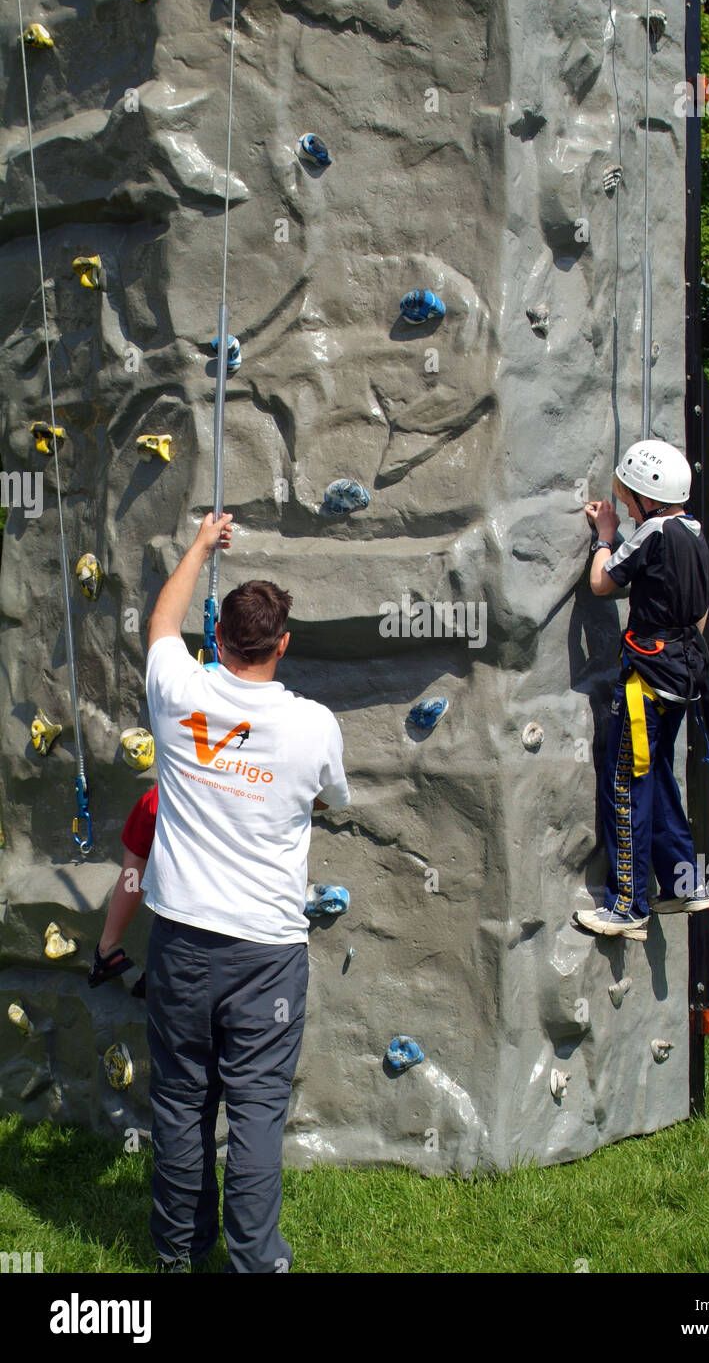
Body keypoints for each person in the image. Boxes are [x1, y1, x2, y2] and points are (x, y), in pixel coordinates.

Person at [142, 510, 350, 1273]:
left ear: (219, 639)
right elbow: (329, 799)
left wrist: (199, 544)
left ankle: (176, 1254)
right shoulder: (314, 725)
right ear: (283, 644)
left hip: (181, 940)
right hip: (265, 951)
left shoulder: (176, 689)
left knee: (180, 1103)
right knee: (257, 1112)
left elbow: (161, 621)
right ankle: (254, 1261)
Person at [575, 440, 709, 941]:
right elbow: (702, 614)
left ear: (642, 497)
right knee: (658, 777)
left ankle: (627, 906)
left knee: (626, 784)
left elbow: (602, 582)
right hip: (684, 676)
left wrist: (605, 533)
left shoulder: (654, 533)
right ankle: (684, 884)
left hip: (646, 681)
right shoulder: (697, 536)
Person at [88, 785, 158, 991]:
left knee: (134, 867)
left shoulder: (157, 799)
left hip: (184, 938)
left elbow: (133, 870)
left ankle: (108, 947)